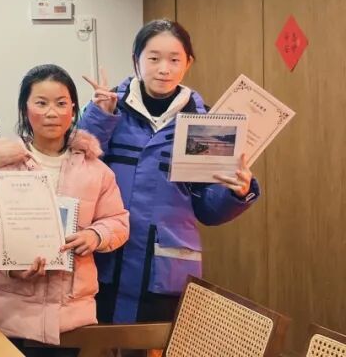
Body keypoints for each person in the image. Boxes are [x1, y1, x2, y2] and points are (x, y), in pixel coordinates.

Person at [78, 19, 259, 325]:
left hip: (164, 272)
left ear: (188, 63)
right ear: (136, 61)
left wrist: (236, 193)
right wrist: (100, 118)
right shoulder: (107, 109)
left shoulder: (206, 123)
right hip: (105, 260)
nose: (164, 69)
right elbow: (79, 169)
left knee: (155, 344)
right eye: (153, 58)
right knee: (100, 343)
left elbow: (208, 209)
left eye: (174, 60)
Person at [0, 64, 129, 353]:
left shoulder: (97, 171)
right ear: (25, 109)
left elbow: (118, 221)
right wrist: (10, 263)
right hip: (10, 314)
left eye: (61, 103)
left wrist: (95, 236)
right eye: (41, 103)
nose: (52, 112)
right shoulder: (2, 169)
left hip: (71, 318)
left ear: (73, 110)